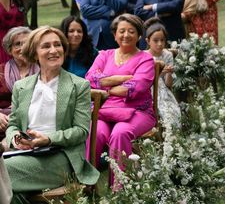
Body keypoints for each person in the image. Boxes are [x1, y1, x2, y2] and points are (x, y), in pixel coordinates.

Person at [5, 26, 100, 201]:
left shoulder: (79, 85)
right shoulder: (21, 86)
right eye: (46, 46)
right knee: (13, 193)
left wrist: (48, 139)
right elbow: (13, 125)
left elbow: (81, 131)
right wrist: (16, 138)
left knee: (3, 172)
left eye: (58, 45)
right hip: (25, 153)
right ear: (34, 54)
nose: (54, 50)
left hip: (62, 156)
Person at [85, 14, 156, 179]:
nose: (126, 35)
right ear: (115, 35)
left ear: (139, 35)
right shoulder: (105, 55)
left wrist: (104, 85)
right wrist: (122, 79)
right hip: (104, 111)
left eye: (131, 31)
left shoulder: (146, 59)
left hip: (137, 112)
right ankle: (87, 185)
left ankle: (120, 188)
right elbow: (89, 80)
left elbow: (136, 87)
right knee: (95, 131)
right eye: (121, 31)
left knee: (119, 133)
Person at [0, 28, 39, 138]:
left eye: (26, 43)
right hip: (3, 125)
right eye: (17, 44)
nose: (22, 48)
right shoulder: (1, 72)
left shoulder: (45, 71)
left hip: (34, 127)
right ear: (10, 49)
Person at [144, 19, 180, 129]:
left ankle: (172, 134)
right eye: (155, 40)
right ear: (148, 41)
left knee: (172, 111)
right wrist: (158, 74)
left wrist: (169, 73)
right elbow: (145, 81)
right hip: (147, 89)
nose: (160, 44)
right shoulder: (144, 56)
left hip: (163, 90)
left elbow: (168, 84)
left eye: (162, 40)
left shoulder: (167, 55)